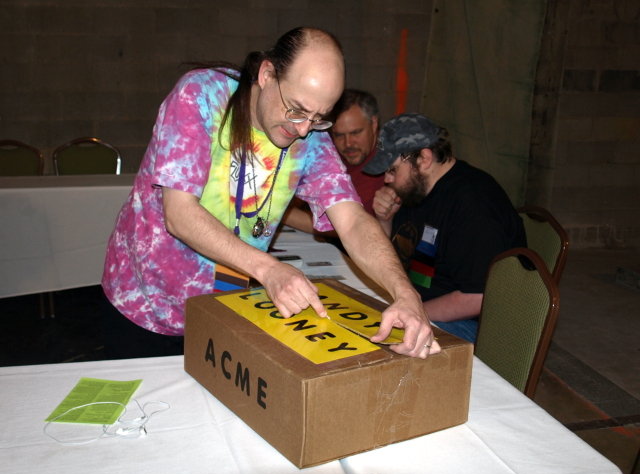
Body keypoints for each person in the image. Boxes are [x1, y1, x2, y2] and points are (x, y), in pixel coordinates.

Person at [101, 27, 440, 359]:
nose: (303, 128)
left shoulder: (310, 135)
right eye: (296, 108)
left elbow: (351, 219)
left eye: (319, 118)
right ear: (266, 74)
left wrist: (405, 292)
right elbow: (179, 214)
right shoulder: (201, 95)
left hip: (225, 303)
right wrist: (269, 269)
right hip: (147, 303)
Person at [366, 113, 526, 343]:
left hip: (478, 326)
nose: (387, 180)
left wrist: (413, 313)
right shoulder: (417, 188)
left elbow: (477, 298)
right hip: (424, 301)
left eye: (392, 170)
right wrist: (384, 218)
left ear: (423, 159)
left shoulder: (474, 205)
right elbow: (394, 258)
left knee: (377, 347)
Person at [283, 89, 384, 234]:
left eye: (355, 133)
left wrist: (276, 211)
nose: (348, 143)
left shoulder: (386, 167)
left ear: (374, 124)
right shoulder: (329, 154)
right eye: (339, 135)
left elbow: (343, 228)